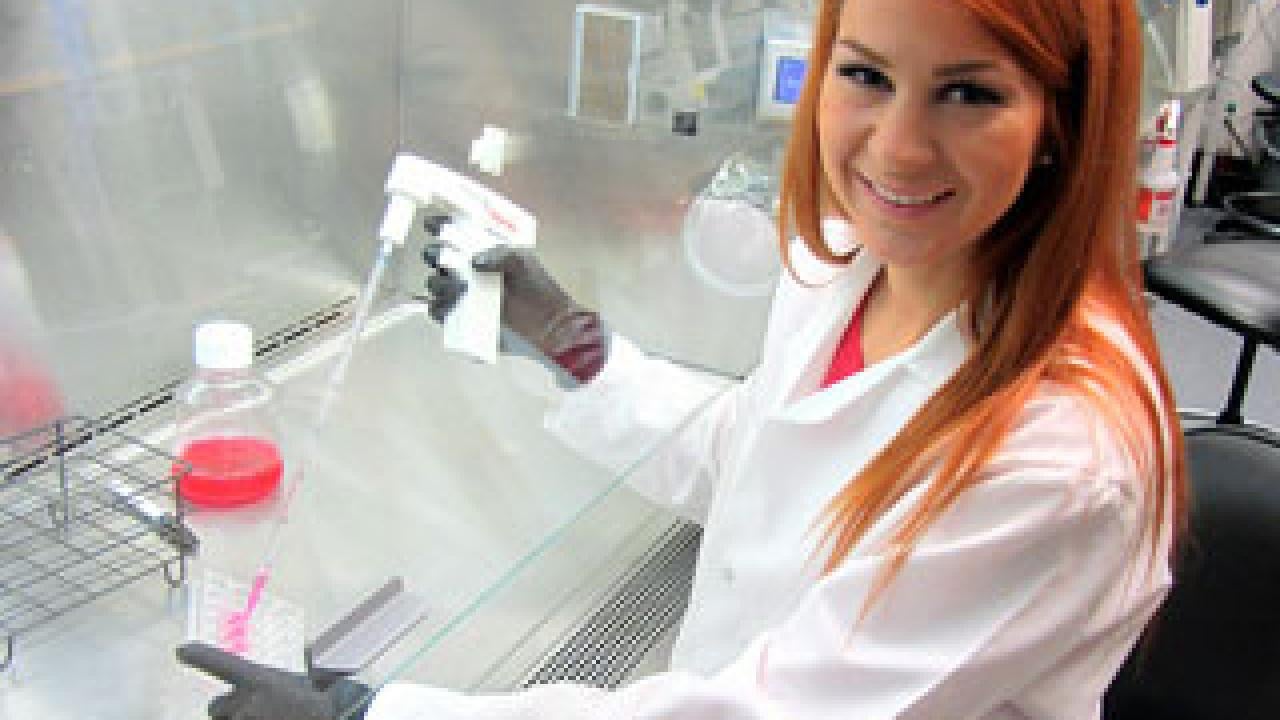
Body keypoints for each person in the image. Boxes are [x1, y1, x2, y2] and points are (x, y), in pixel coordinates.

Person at [177, 0, 1188, 718]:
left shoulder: (1058, 458)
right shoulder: (849, 264)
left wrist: (377, 714)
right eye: (866, 75)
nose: (898, 148)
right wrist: (568, 342)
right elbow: (757, 463)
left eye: (967, 93)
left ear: (1060, 122)